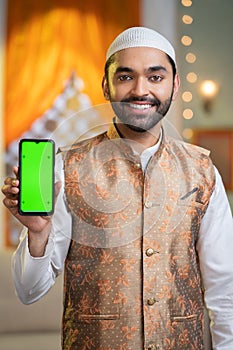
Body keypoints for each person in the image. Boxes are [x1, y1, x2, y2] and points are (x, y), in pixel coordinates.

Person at [2, 26, 233, 350]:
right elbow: (29, 291)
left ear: (175, 85)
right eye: (125, 77)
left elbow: (226, 292)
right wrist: (38, 233)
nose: (141, 90)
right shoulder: (65, 168)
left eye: (155, 77)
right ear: (106, 86)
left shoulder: (203, 171)